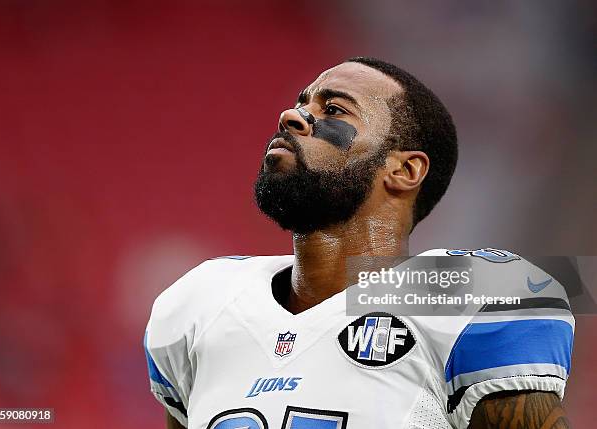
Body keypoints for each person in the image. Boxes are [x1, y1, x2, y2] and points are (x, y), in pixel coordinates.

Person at [144, 57, 574, 429]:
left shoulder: (470, 297)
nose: (291, 117)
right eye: (300, 103)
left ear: (405, 171)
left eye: (333, 109)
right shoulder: (202, 303)